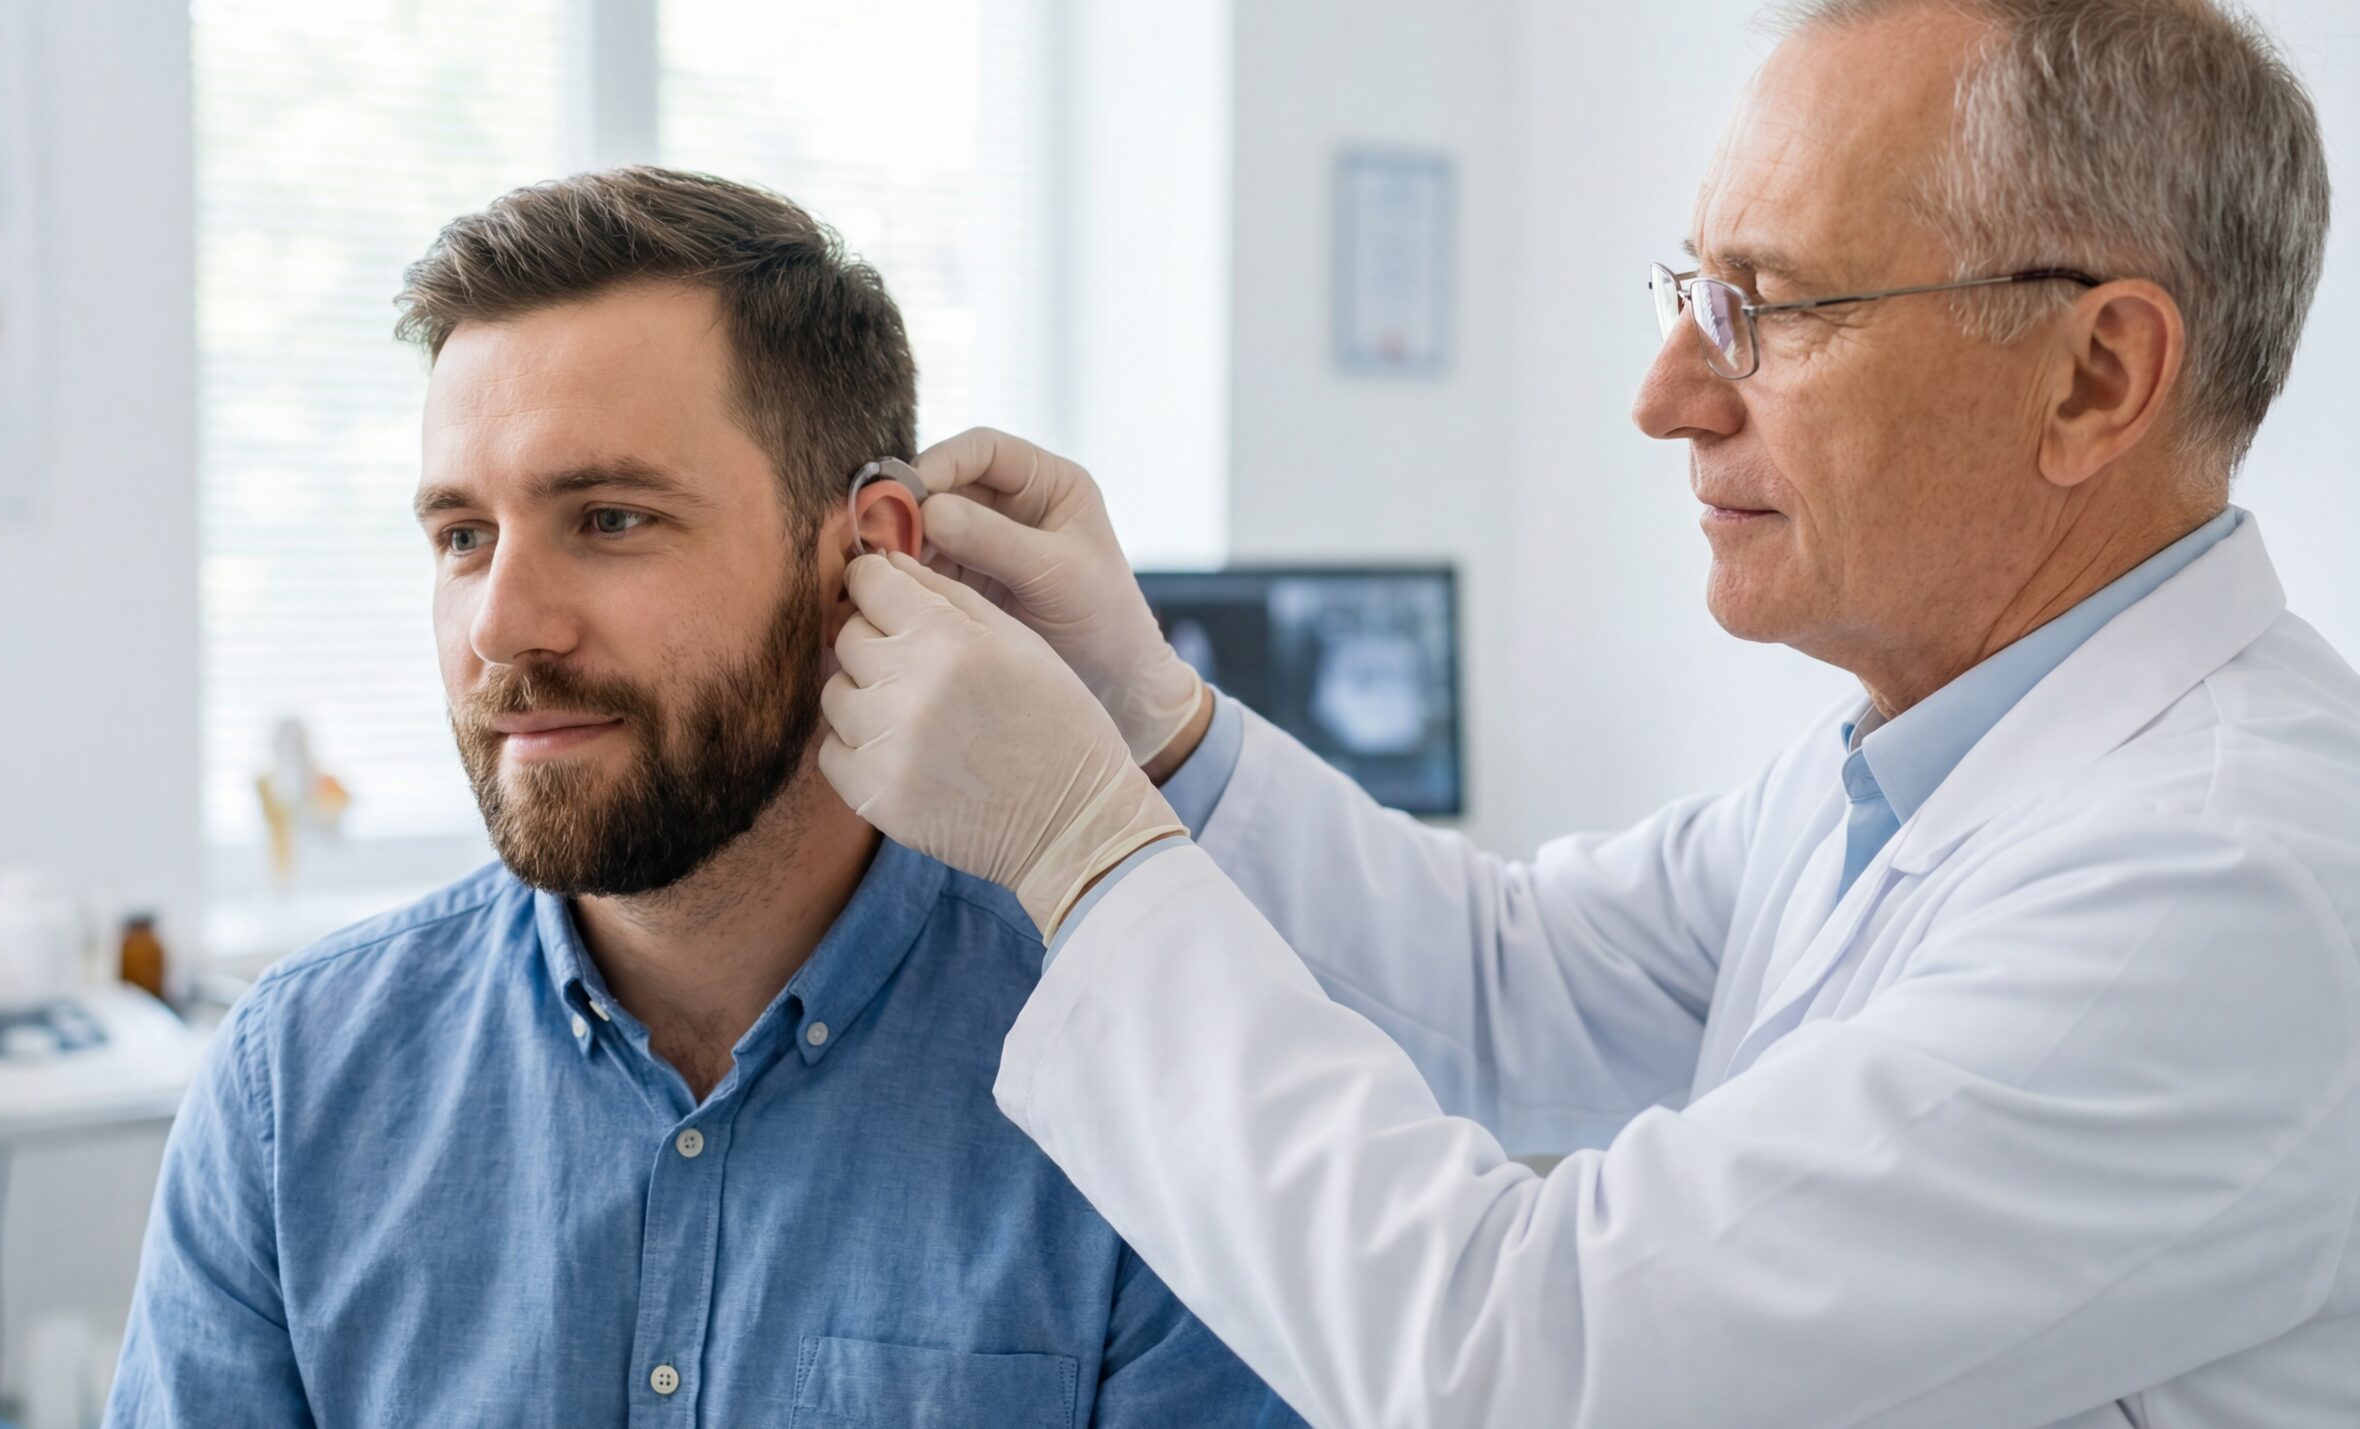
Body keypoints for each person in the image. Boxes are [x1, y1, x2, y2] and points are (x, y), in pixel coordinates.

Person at [815, 2, 2360, 1425]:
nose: (1668, 392)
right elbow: (1506, 978)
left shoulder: (2221, 889)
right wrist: (1150, 715)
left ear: (2096, 376)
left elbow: (1535, 1364)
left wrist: (1082, 853)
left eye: (1771, 307)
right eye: (1697, 292)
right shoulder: (1916, 761)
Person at [106, 168, 1296, 1428]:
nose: (501, 623)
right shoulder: (295, 1084)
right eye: (462, 535)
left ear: (871, 556)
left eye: (609, 518)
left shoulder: (1143, 1085)